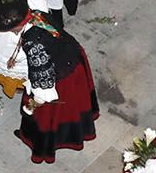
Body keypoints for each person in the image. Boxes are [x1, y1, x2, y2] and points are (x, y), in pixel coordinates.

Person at [15, 12, 99, 164]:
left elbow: (43, 82)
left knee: (46, 116)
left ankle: (44, 148)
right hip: (73, 59)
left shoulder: (32, 42)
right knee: (73, 105)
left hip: (61, 77)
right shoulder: (37, 15)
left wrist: (36, 99)